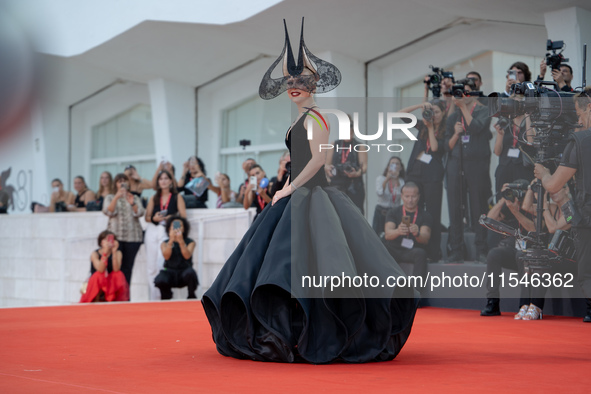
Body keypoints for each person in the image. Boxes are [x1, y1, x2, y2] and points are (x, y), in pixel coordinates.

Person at [202, 18, 418, 364]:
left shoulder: (317, 117)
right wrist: (287, 186)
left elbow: (320, 158)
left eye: (300, 79)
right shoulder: (301, 119)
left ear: (314, 82)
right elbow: (303, 159)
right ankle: (292, 333)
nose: (293, 85)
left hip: (313, 196)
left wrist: (290, 187)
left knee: (315, 265)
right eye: (289, 80)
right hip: (297, 194)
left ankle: (315, 333)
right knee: (284, 267)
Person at [534, 87, 591, 322]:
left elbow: (554, 185)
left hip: (587, 219)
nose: (579, 121)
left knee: (587, 274)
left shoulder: (580, 140)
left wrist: (544, 173)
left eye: (579, 114)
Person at [444, 78, 492, 263]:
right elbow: (446, 146)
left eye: (466, 92)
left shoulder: (483, 110)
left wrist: (463, 107)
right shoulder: (453, 116)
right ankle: (456, 249)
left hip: (477, 164)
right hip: (456, 164)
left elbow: (477, 127)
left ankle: (481, 248)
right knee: (455, 208)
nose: (463, 96)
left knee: (478, 206)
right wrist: (456, 132)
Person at [400, 99, 447, 261]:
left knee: (432, 213)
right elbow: (400, 114)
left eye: (437, 112)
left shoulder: (445, 129)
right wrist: (420, 105)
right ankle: (414, 249)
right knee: (414, 212)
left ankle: (433, 253)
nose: (433, 115)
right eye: (431, 111)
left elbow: (434, 148)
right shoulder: (422, 125)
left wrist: (431, 127)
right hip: (415, 172)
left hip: (432, 175)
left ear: (443, 113)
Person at [145, 170, 187, 300]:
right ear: (158, 182)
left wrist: (170, 217)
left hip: (166, 230)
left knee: (161, 263)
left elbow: (183, 215)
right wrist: (154, 218)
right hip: (153, 229)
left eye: (165, 178)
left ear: (170, 181)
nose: (163, 181)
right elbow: (147, 217)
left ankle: (163, 295)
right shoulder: (154, 197)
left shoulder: (177, 196)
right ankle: (154, 298)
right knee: (151, 266)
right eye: (161, 179)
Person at [383, 182, 432, 292]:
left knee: (421, 253)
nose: (410, 200)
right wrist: (398, 231)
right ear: (402, 196)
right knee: (383, 249)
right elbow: (388, 234)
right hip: (395, 248)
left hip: (412, 250)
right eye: (407, 196)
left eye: (413, 196)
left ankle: (416, 293)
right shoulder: (393, 212)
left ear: (418, 197)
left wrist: (417, 233)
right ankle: (384, 291)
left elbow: (425, 239)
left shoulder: (425, 215)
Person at [103, 173, 145, 289]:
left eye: (124, 181)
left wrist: (132, 203)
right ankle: (112, 296)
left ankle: (125, 297)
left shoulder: (135, 197)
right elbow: (108, 211)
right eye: (119, 181)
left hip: (133, 238)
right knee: (114, 266)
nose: (122, 183)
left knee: (127, 268)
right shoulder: (110, 197)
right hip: (116, 238)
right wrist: (117, 197)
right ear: (115, 184)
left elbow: (140, 213)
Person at [325, 120, 368, 214]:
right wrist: (328, 169)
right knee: (337, 212)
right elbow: (326, 164)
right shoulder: (334, 144)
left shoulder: (359, 146)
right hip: (336, 184)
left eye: (350, 131)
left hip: (354, 186)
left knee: (355, 213)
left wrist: (357, 173)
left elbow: (364, 166)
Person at [154, 217, 198, 300]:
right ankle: (166, 297)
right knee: (160, 279)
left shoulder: (190, 242)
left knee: (191, 273)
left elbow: (187, 256)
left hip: (184, 272)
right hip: (170, 272)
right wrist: (171, 240)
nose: (177, 228)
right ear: (169, 228)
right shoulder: (164, 243)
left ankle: (191, 296)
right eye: (173, 226)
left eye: (179, 226)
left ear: (184, 228)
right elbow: (166, 256)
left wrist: (181, 241)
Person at [493, 111, 534, 197]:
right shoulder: (505, 123)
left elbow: (531, 141)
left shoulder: (530, 122)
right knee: (503, 200)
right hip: (505, 167)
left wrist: (527, 116)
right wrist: (500, 135)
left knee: (522, 199)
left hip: (523, 169)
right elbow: (497, 152)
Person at [80, 230, 129, 303]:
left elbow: (116, 269)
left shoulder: (118, 253)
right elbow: (100, 269)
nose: (109, 242)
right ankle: (95, 299)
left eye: (111, 239)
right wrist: (105, 254)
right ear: (101, 242)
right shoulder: (95, 254)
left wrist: (114, 252)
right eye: (106, 240)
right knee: (99, 275)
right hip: (98, 281)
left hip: (110, 282)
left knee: (119, 274)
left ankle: (116, 300)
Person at [372, 156, 405, 235]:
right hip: (381, 211)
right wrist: (387, 179)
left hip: (394, 211)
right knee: (378, 235)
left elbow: (401, 194)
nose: (395, 166)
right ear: (388, 166)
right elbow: (380, 193)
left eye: (397, 164)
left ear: (400, 167)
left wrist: (396, 179)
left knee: (392, 235)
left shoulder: (402, 181)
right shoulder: (381, 179)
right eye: (392, 164)